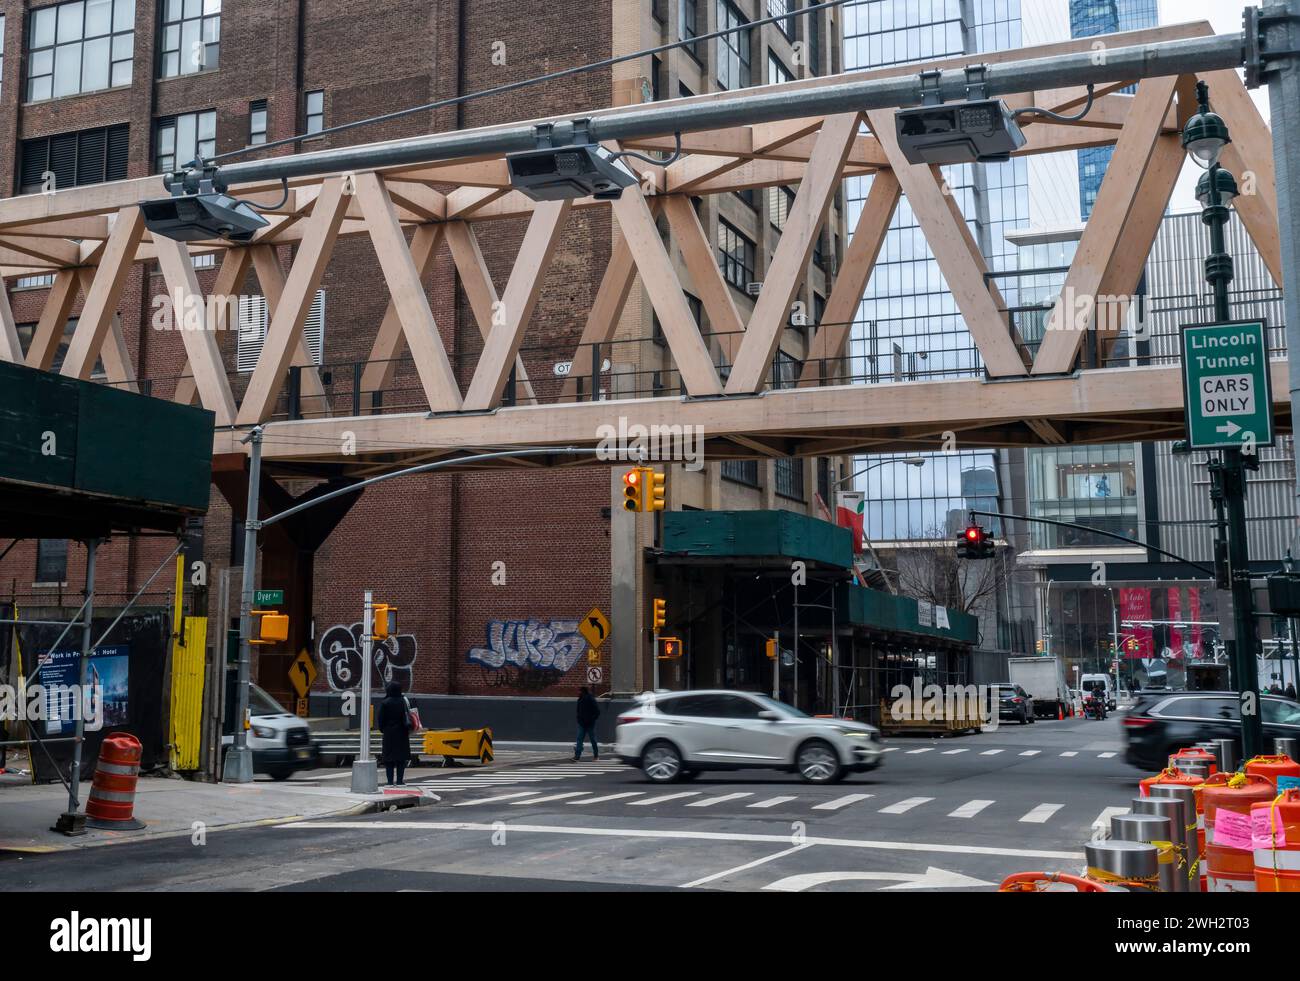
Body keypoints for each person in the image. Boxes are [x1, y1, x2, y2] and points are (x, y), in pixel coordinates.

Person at [377, 680, 413, 786]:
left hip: (389, 733)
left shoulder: (385, 703)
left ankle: (389, 782)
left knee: (389, 759)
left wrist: (383, 729)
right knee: (401, 759)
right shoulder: (403, 701)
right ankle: (400, 781)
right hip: (402, 732)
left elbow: (380, 719)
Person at [574, 686, 600, 762]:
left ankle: (596, 755)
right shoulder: (579, 699)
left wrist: (592, 719)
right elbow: (578, 711)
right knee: (579, 739)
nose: (577, 693)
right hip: (582, 723)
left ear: (583, 692)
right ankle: (577, 756)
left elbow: (597, 711)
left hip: (590, 724)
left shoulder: (591, 699)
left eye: (579, 691)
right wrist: (579, 719)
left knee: (592, 739)